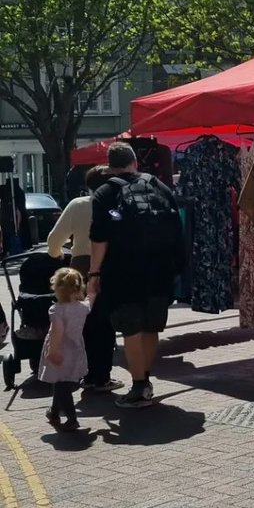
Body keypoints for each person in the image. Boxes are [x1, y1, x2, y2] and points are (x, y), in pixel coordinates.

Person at [87, 142, 184, 409]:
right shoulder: (159, 186)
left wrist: (94, 273)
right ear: (135, 162)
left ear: (109, 166)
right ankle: (146, 379)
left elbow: (99, 238)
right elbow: (177, 227)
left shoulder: (104, 193)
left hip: (123, 271)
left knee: (131, 329)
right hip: (160, 269)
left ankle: (139, 385)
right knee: (151, 327)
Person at [49, 166, 120, 392]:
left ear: (88, 186)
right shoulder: (116, 206)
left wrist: (57, 254)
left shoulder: (77, 205)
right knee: (106, 322)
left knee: (83, 323)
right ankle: (102, 376)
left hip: (80, 269)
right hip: (110, 266)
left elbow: (54, 240)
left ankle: (86, 374)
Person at [40, 267, 90, 432]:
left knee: (61, 384)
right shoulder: (82, 307)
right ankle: (54, 411)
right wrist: (92, 291)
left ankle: (71, 418)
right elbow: (90, 300)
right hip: (75, 349)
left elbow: (57, 331)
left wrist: (53, 351)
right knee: (61, 381)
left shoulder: (57, 310)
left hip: (61, 350)